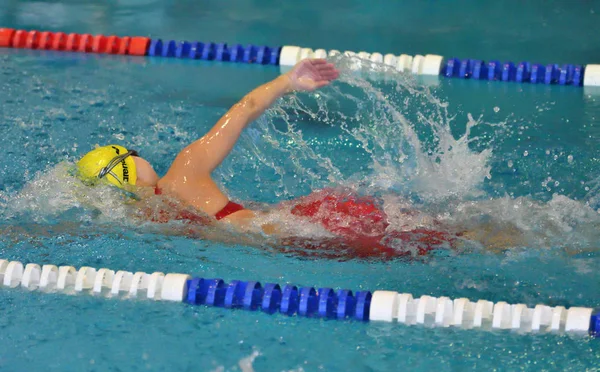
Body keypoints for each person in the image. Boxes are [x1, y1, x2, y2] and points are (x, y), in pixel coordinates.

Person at [76, 59, 516, 258]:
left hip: (294, 241)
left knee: (440, 239)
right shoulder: (185, 170)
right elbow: (243, 109)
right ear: (128, 162)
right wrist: (288, 80)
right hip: (308, 221)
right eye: (133, 152)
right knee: (454, 232)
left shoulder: (142, 222)